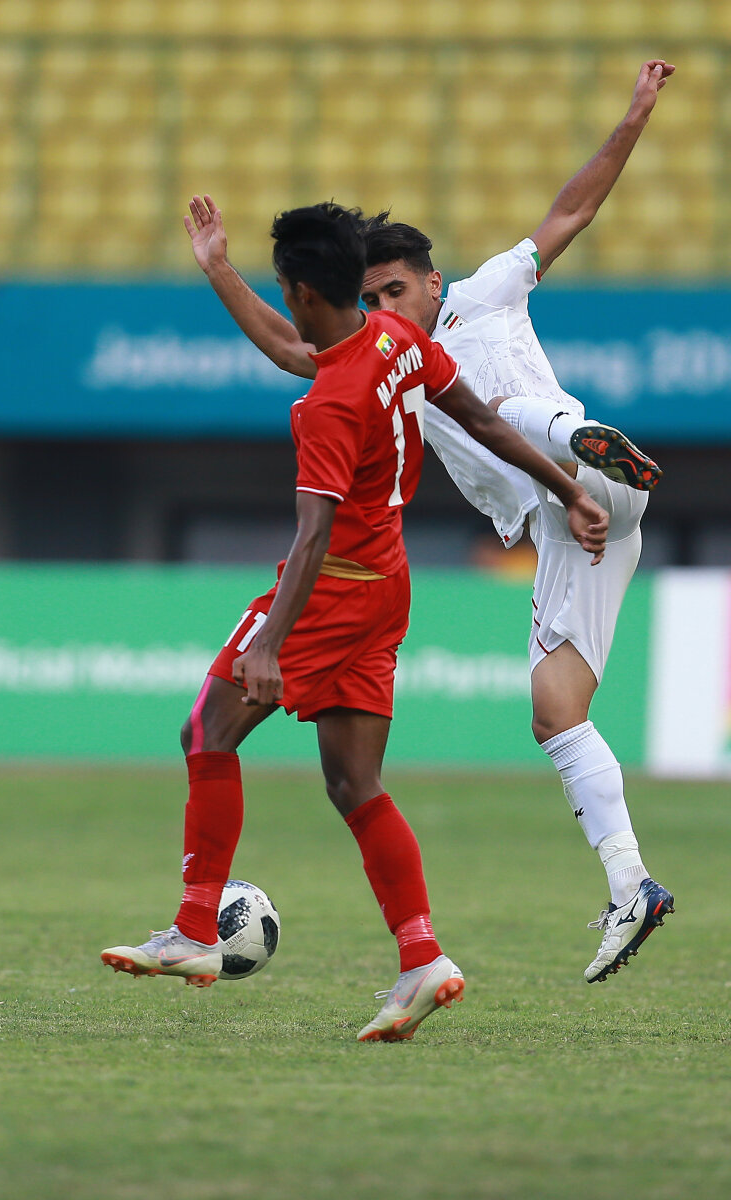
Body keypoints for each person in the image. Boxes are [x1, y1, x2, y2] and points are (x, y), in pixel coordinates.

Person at [181, 61, 676, 985]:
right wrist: (220, 271)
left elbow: (571, 211)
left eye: (395, 292)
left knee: (508, 413)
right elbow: (294, 348)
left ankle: (575, 434)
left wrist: (635, 115)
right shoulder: (382, 355)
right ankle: (631, 885)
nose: (381, 310)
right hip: (588, 522)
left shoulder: (484, 294)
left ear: (433, 279)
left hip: (575, 480)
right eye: (369, 298)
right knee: (557, 715)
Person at [102, 202, 608, 1042]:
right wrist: (571, 490)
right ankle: (423, 958)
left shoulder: (329, 406)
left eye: (283, 290)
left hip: (330, 589)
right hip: (386, 584)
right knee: (354, 784)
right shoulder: (395, 339)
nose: (287, 305)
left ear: (304, 291)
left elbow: (312, 535)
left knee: (206, 731)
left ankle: (193, 929)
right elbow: (479, 418)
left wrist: (270, 643)